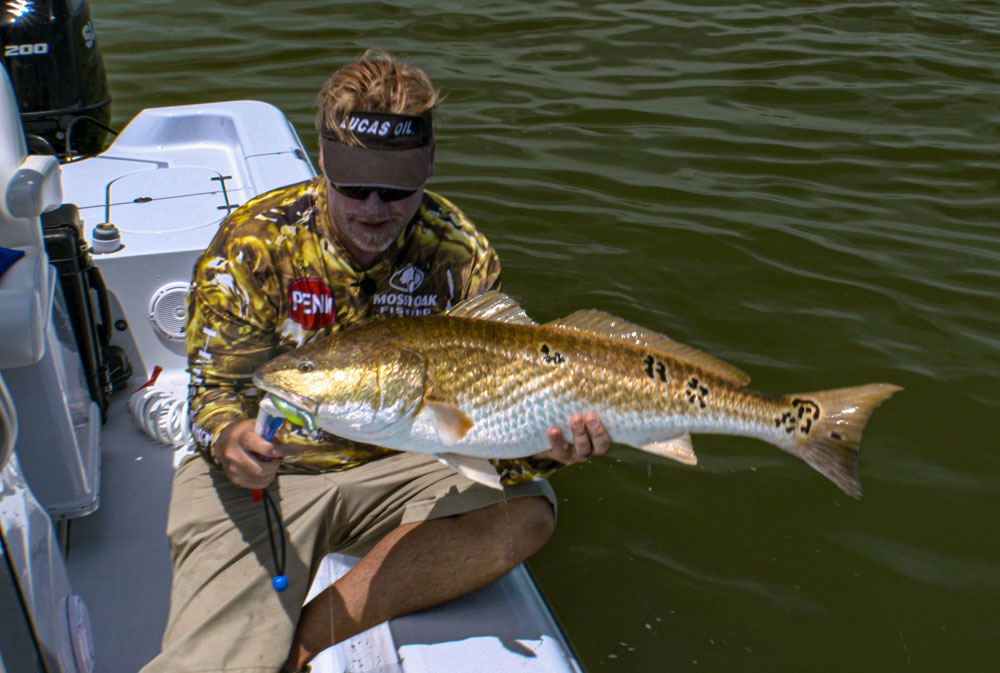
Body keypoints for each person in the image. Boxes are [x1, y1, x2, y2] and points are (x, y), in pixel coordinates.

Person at [140, 49, 610, 673]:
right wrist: (229, 438)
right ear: (324, 162)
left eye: (396, 191)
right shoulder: (255, 242)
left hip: (403, 461)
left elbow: (480, 428)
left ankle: (311, 636)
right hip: (270, 473)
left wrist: (552, 448)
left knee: (526, 512)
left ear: (429, 168)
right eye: (353, 187)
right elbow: (213, 389)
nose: (372, 209)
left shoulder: (460, 253)